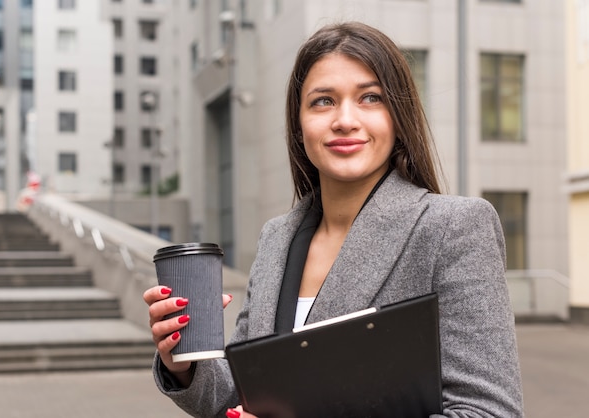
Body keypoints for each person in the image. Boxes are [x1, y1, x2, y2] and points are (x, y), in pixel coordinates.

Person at [143, 21, 524, 418]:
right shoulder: (278, 238)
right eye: (323, 101)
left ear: (398, 116)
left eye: (370, 97)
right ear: (299, 122)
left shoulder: (453, 227)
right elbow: (241, 394)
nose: (345, 119)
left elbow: (490, 412)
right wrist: (183, 364)